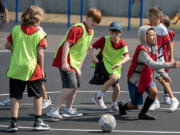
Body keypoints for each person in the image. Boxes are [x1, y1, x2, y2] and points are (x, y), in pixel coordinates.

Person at [47, 8, 102, 120]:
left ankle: (68, 109)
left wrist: (79, 67)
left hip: (74, 62)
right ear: (87, 18)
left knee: (74, 87)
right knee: (71, 86)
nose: (95, 23)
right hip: (65, 59)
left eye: (97, 22)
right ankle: (54, 109)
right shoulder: (78, 29)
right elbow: (67, 44)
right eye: (93, 20)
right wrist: (64, 62)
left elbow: (84, 50)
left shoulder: (91, 31)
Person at [118, 25, 180, 120]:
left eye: (154, 34)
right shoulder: (142, 50)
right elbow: (152, 64)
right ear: (144, 37)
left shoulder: (154, 47)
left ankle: (143, 113)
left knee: (154, 92)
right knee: (135, 105)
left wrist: (164, 75)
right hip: (136, 78)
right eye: (151, 35)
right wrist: (170, 64)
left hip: (146, 76)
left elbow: (157, 63)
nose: (154, 36)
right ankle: (123, 106)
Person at [5, 5, 50, 132]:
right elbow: (40, 52)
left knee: (15, 97)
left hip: (16, 68)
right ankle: (38, 121)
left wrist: (16, 49)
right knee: (38, 95)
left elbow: (7, 45)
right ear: (37, 20)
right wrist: (41, 68)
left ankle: (13, 124)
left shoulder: (15, 30)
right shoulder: (40, 33)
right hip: (32, 69)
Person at [89, 21, 130, 113]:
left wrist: (119, 63)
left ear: (120, 33)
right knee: (114, 78)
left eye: (117, 33)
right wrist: (92, 56)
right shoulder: (104, 39)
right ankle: (98, 96)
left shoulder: (122, 44)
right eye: (113, 32)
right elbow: (91, 47)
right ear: (109, 32)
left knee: (117, 88)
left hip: (114, 66)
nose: (114, 35)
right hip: (102, 62)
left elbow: (127, 56)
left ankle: (113, 105)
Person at [147, 6, 179, 112]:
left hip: (159, 58)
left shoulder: (162, 28)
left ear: (158, 17)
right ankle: (156, 101)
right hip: (151, 57)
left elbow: (169, 42)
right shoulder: (149, 27)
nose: (149, 18)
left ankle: (173, 99)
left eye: (151, 17)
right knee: (151, 78)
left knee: (161, 78)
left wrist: (172, 57)